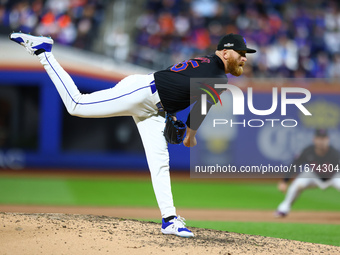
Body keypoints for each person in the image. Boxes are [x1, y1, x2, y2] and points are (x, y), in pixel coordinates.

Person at [9, 32, 256, 237]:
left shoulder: (208, 66)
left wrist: (172, 114)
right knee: (77, 105)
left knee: (160, 163)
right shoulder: (217, 75)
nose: (245, 58)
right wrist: (190, 136)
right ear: (225, 53)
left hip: (155, 108)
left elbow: (185, 91)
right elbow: (201, 108)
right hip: (142, 92)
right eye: (241, 53)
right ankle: (44, 52)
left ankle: (169, 219)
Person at [275, 129, 340, 217]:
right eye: (319, 138)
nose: (321, 141)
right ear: (314, 139)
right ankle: (283, 208)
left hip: (333, 176)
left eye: (323, 138)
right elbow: (295, 164)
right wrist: (284, 181)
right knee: (297, 185)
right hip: (313, 175)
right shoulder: (307, 151)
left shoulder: (334, 153)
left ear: (328, 139)